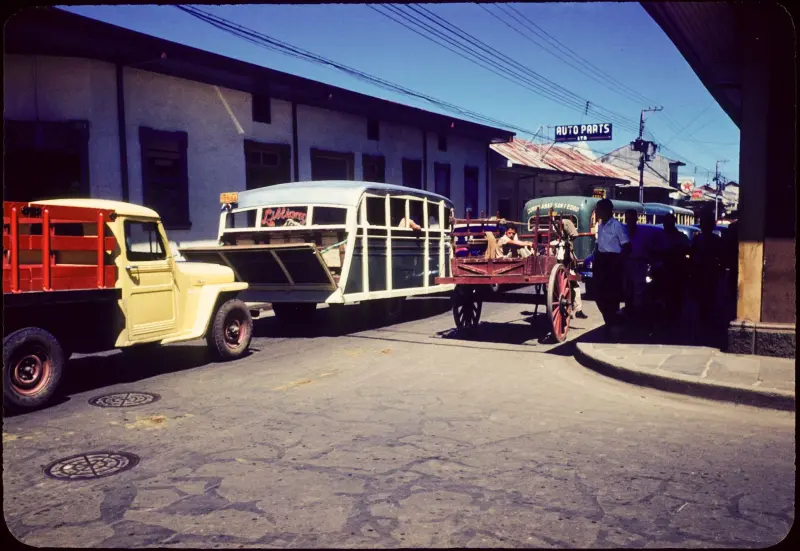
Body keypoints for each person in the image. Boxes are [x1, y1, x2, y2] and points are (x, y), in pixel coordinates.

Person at [593, 199, 630, 336]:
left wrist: (619, 262)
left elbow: (627, 245)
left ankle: (613, 325)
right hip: (601, 261)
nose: (597, 212)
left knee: (612, 296)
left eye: (599, 209)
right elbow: (598, 244)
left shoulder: (617, 226)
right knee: (599, 295)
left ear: (606, 210)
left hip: (612, 262)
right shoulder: (601, 226)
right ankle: (609, 321)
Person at [689, 210, 724, 327]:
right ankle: (702, 315)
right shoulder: (697, 239)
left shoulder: (716, 240)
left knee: (710, 295)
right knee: (700, 295)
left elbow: (720, 257)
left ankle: (707, 316)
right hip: (699, 271)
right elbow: (691, 254)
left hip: (710, 271)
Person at [622, 209, 658, 325]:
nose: (629, 221)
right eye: (627, 219)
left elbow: (649, 250)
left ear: (636, 219)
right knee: (627, 290)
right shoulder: (622, 232)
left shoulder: (643, 234)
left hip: (639, 264)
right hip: (626, 264)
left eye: (631, 219)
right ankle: (628, 313)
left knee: (638, 291)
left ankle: (637, 317)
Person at [656, 213, 690, 328]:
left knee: (676, 294)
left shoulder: (680, 236)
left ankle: (675, 315)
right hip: (663, 269)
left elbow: (686, 250)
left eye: (668, 222)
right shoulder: (660, 236)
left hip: (676, 269)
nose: (666, 225)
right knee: (663, 293)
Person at [550, 219, 587, 319]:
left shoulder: (562, 231)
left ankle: (576, 309)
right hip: (563, 265)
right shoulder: (561, 240)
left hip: (562, 264)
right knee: (574, 285)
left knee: (574, 285)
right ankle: (576, 310)